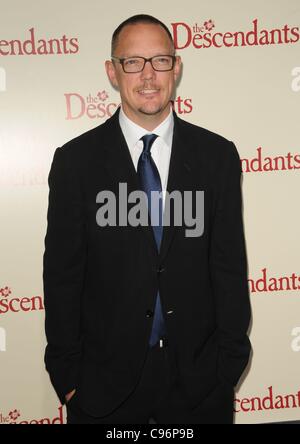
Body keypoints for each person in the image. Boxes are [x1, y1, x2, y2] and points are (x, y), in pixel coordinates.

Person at [43, 14, 251, 424]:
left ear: (176, 67)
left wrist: (228, 366)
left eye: (160, 60)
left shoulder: (217, 156)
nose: (148, 75)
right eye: (133, 62)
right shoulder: (75, 163)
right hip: (102, 388)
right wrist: (68, 376)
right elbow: (63, 276)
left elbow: (228, 267)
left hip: (200, 384)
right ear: (112, 71)